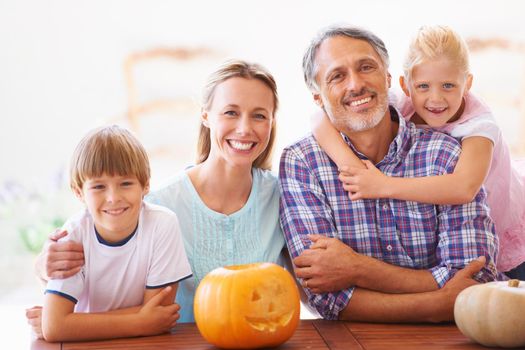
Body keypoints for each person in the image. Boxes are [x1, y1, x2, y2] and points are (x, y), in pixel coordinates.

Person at [29, 60, 286, 327]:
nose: (245, 128)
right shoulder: (158, 205)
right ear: (206, 116)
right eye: (231, 112)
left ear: (271, 122)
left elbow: (305, 286)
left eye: (259, 115)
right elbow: (100, 264)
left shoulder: (283, 197)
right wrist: (43, 267)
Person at [279, 25, 499, 322]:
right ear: (318, 97)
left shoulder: (447, 153)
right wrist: (439, 303)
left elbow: (473, 279)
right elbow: (327, 296)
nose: (355, 84)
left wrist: (357, 269)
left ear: (387, 78)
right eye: (337, 76)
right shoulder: (301, 164)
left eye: (365, 67)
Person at [312, 25, 525, 280]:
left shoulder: (479, 126)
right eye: (423, 86)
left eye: (448, 85)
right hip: (457, 229)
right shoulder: (403, 103)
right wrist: (354, 169)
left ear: (467, 83)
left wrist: (383, 185)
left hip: (506, 224)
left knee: (505, 302)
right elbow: (318, 119)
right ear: (405, 85)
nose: (435, 99)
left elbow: (463, 188)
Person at [36, 125, 192, 342]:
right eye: (99, 187)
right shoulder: (73, 236)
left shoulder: (162, 224)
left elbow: (160, 313)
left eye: (126, 183)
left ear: (146, 184)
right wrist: (139, 321)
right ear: (79, 192)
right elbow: (54, 328)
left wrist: (77, 321)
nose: (113, 197)